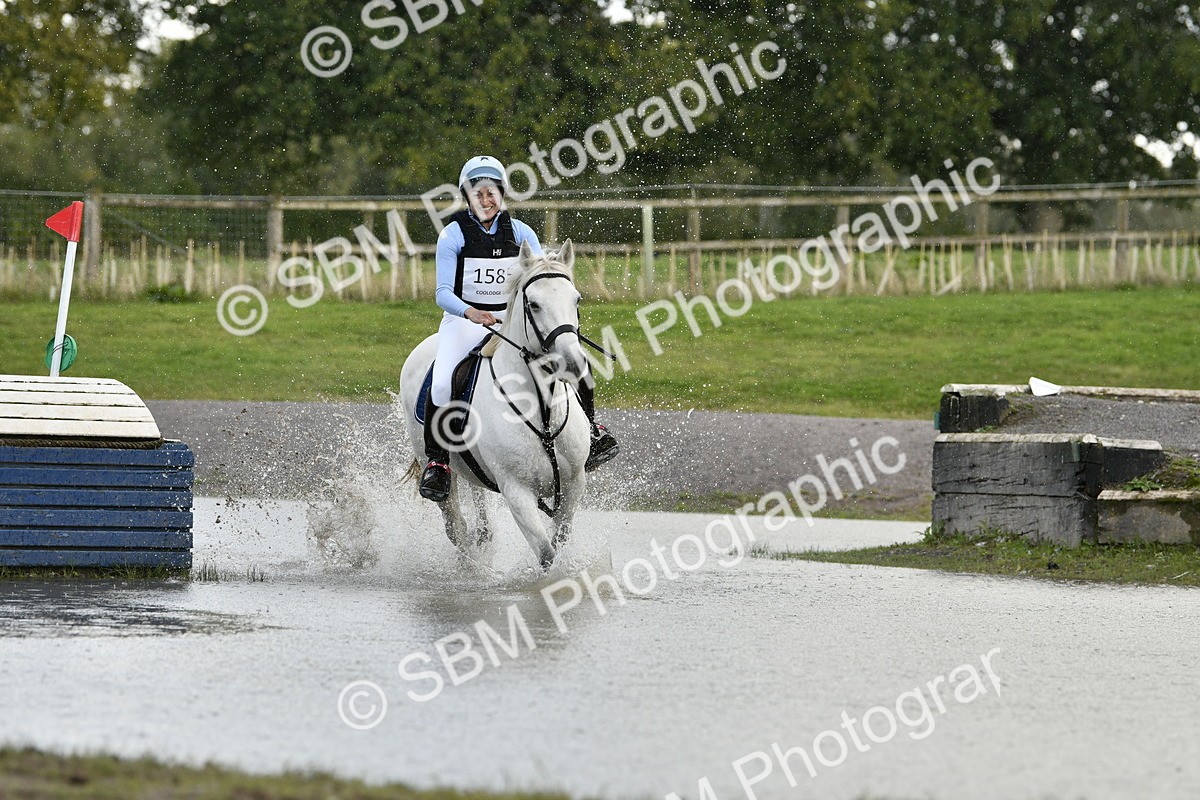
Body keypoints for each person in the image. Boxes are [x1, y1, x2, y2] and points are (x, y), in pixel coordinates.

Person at [419, 156, 619, 501]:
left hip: (514, 321)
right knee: (441, 381)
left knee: (576, 364)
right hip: (464, 320)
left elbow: (539, 279)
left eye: (492, 193)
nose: (486, 200)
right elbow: (441, 294)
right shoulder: (452, 235)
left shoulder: (521, 232)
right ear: (467, 196)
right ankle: (438, 464)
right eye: (478, 193)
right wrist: (471, 312)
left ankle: (592, 430)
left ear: (501, 194)